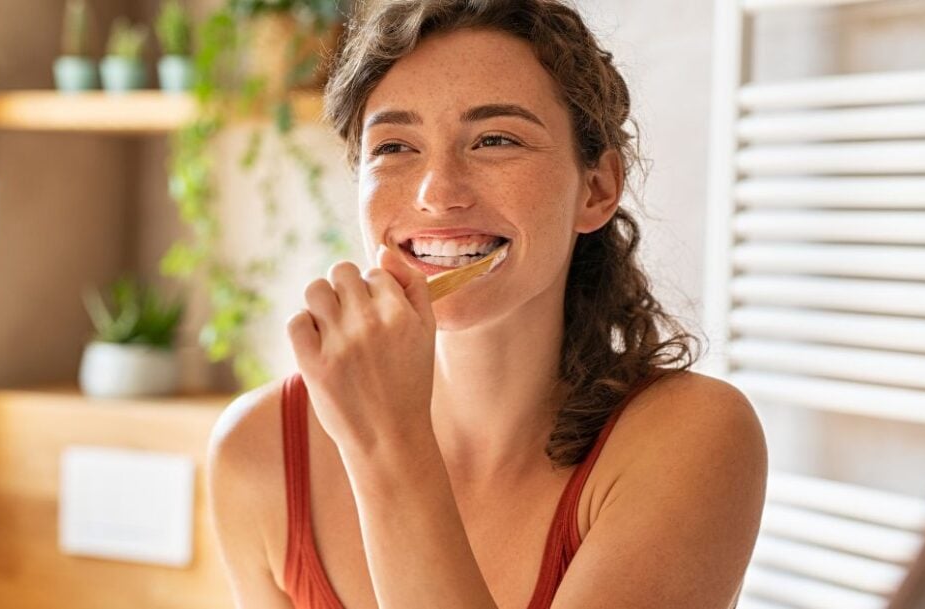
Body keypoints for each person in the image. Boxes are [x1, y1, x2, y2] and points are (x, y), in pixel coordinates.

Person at [207, 1, 768, 607]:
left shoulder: (693, 440)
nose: (437, 192)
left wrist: (387, 444)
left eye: (495, 139)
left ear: (597, 188)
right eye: (395, 147)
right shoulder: (259, 451)